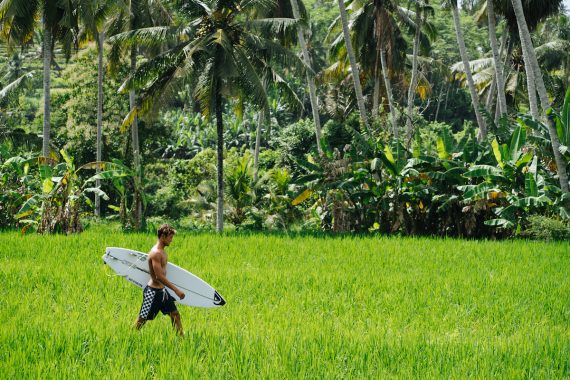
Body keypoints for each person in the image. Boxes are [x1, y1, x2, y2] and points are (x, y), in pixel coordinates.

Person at [134, 224, 186, 336]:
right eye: (170, 238)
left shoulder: (162, 252)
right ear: (163, 236)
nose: (171, 241)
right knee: (142, 320)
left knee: (175, 314)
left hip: (162, 292)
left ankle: (182, 342)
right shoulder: (156, 253)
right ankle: (130, 337)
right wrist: (176, 290)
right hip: (152, 292)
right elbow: (159, 276)